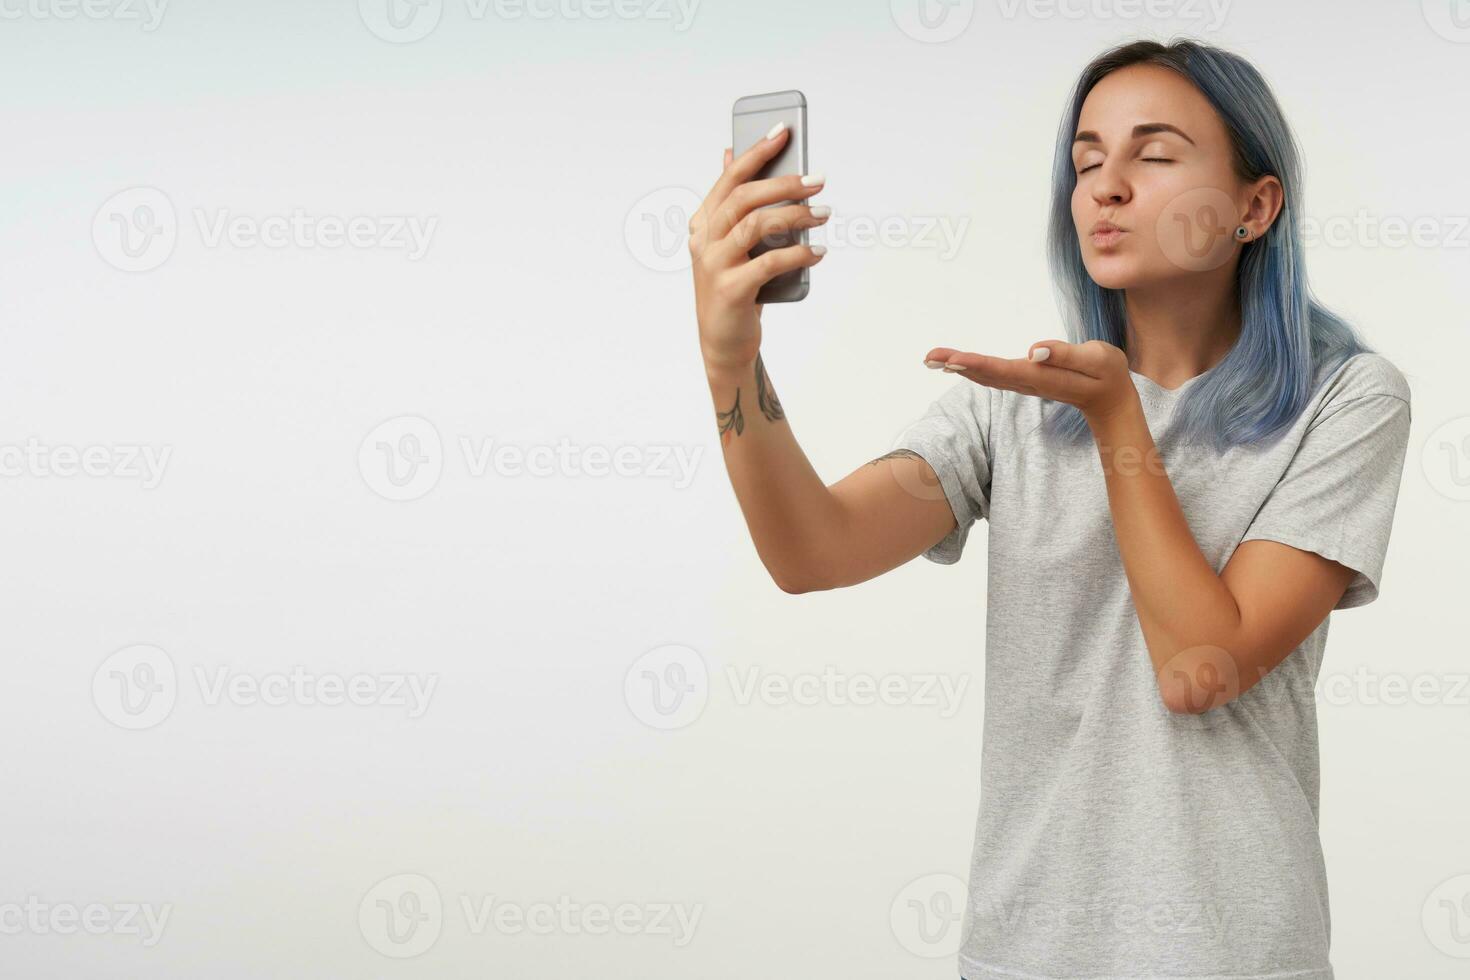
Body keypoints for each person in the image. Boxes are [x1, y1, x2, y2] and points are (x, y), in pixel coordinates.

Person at [686, 37, 1411, 980]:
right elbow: (812, 552)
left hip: (1233, 953)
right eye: (1085, 161)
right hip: (1026, 952)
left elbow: (1203, 667)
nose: (1106, 185)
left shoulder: (1347, 401)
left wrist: (1115, 417)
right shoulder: (1012, 407)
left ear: (1255, 205)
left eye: (1153, 155)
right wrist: (730, 363)